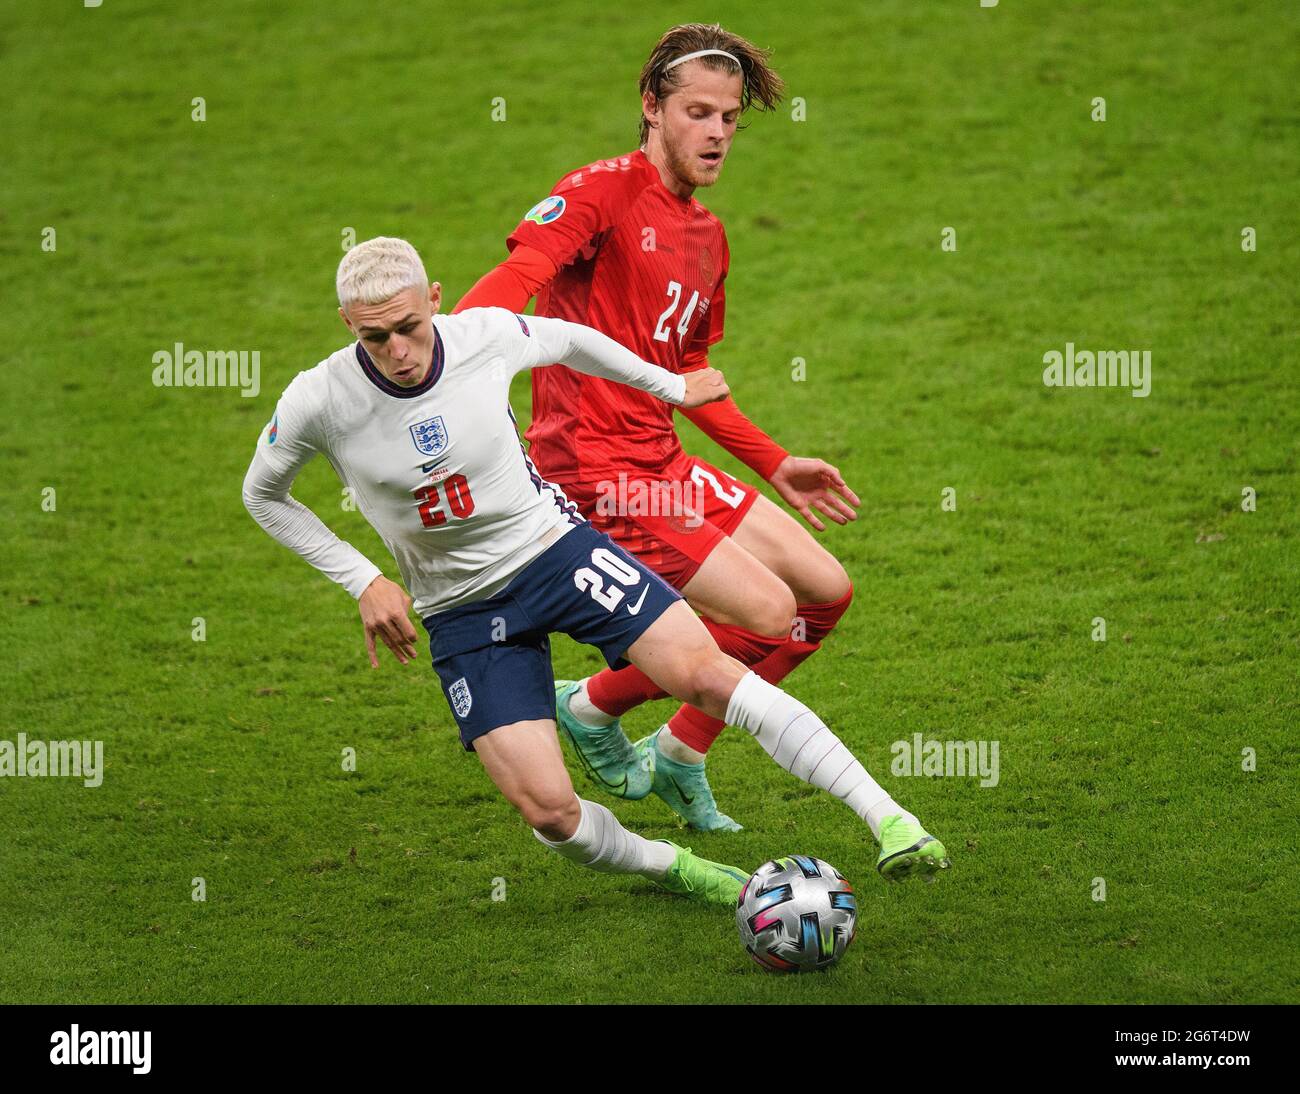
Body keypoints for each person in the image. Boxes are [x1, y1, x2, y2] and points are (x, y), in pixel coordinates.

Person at [243, 237, 948, 903]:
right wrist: (363, 578)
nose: (397, 351)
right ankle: (680, 870)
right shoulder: (319, 399)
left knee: (706, 673)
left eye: (408, 326)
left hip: (554, 551)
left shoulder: (484, 336)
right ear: (346, 325)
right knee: (549, 812)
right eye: (374, 337)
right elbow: (262, 494)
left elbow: (572, 340)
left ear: (434, 298)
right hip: (459, 612)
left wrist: (668, 387)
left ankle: (891, 819)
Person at [454, 23, 860, 835]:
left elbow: (691, 379)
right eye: (699, 113)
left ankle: (678, 751)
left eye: (731, 118)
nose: (716, 133)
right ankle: (594, 705)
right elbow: (516, 280)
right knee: (768, 613)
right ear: (652, 107)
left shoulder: (708, 237)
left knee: (827, 595)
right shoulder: (601, 191)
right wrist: (448, 350)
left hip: (662, 461)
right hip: (595, 467)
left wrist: (775, 461)